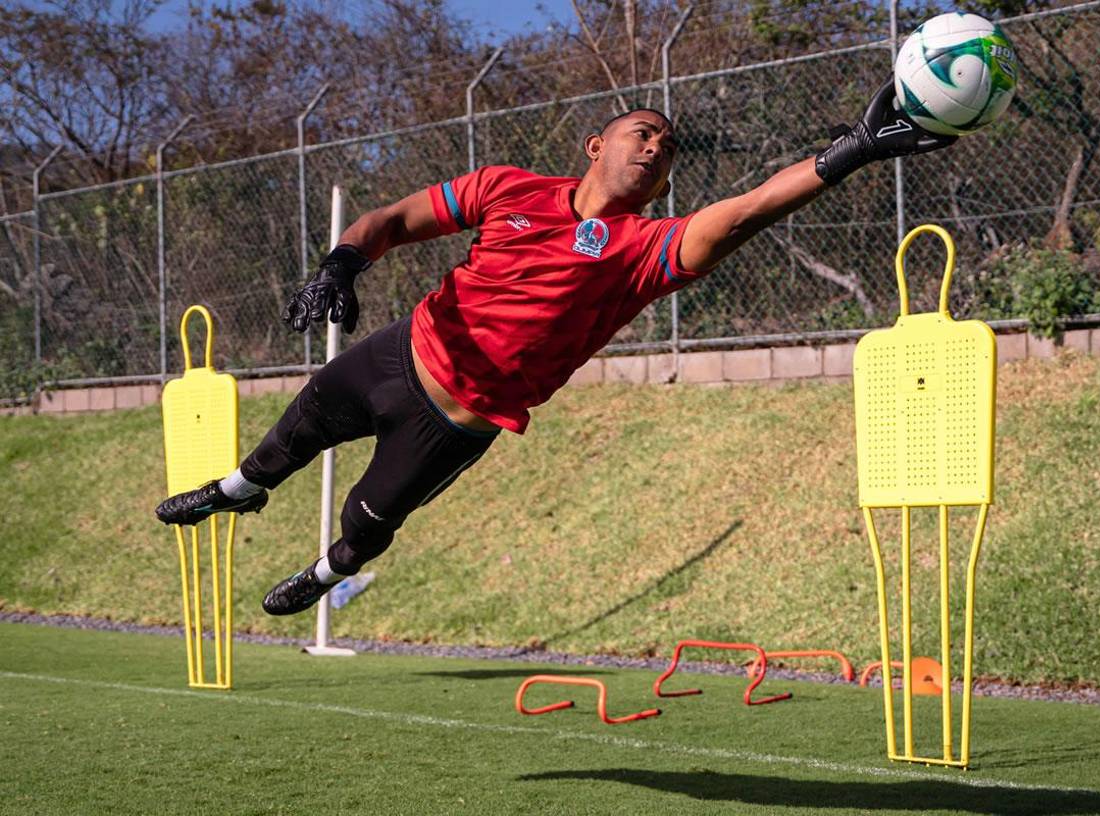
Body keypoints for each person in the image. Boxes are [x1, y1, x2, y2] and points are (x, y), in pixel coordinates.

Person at [155, 81, 956, 616]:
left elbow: (741, 214)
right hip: (404, 350)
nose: (655, 149)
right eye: (644, 133)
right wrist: (341, 262)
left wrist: (847, 152)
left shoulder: (646, 249)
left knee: (369, 519)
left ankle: (327, 576)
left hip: (455, 421)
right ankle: (237, 490)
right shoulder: (509, 187)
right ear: (593, 145)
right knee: (293, 431)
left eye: (668, 149)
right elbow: (393, 222)